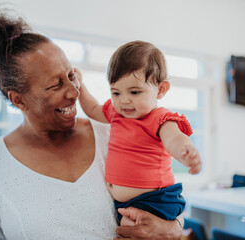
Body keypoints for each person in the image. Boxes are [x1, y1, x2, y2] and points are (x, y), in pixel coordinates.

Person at [0, 8, 184, 240]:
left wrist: (172, 229)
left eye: (70, 75)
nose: (74, 92)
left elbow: (168, 203)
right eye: (55, 85)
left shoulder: (113, 134)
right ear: (19, 100)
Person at [78, 40, 202, 226]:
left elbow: (174, 137)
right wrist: (80, 87)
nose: (124, 100)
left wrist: (185, 150)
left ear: (161, 90)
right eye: (116, 93)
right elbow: (93, 109)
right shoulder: (115, 113)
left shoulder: (160, 118)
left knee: (130, 230)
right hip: (125, 203)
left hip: (154, 201)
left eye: (134, 92)